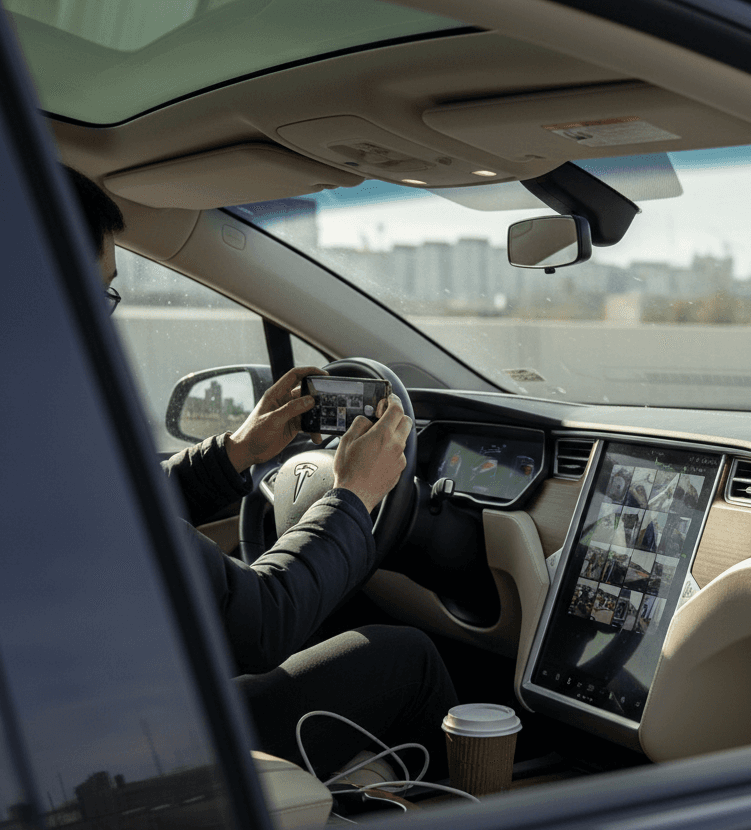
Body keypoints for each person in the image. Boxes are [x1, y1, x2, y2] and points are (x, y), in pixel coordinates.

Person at [64, 165, 458, 780]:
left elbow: (121, 518)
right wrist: (354, 494)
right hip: (134, 760)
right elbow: (262, 623)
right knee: (408, 658)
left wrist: (237, 451)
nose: (106, 320)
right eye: (99, 294)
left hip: (91, 726)